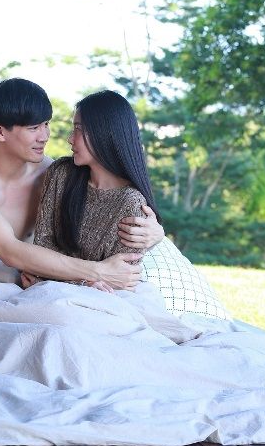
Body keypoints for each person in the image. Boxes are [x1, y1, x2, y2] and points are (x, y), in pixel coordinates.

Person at [0, 78, 164, 290]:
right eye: (33, 128)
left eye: (46, 124)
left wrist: (155, 234)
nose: (45, 136)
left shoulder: (51, 173)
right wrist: (98, 272)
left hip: (27, 275)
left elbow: (96, 221)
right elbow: (9, 250)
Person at [22, 90, 161, 294]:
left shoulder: (132, 203)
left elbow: (116, 282)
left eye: (78, 129)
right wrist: (83, 283)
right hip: (53, 292)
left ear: (104, 133)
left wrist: (54, 282)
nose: (70, 139)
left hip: (100, 302)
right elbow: (42, 246)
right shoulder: (61, 173)